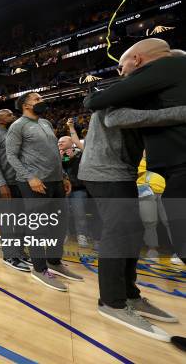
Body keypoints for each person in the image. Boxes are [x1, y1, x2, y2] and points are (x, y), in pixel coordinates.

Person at [78, 91, 183, 340]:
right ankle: (112, 302)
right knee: (117, 235)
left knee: (133, 235)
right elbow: (116, 118)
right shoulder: (119, 93)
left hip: (123, 172)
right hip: (104, 173)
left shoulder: (140, 93)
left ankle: (130, 295)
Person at [84, 39, 186, 262]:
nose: (122, 74)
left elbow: (100, 103)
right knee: (124, 231)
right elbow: (113, 117)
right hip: (110, 172)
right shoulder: (156, 81)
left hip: (151, 170)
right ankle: (116, 296)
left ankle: (120, 295)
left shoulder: (160, 72)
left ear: (137, 59)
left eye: (121, 67)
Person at [6, 92, 82, 291]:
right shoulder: (18, 126)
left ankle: (54, 262)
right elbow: (11, 156)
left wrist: (63, 176)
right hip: (34, 182)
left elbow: (54, 154)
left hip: (56, 180)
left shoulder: (46, 123)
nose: (42, 102)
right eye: (37, 99)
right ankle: (39, 269)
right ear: (25, 105)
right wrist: (30, 177)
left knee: (60, 223)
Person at [0, 109, 30, 272]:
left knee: (20, 221)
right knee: (7, 222)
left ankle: (19, 251)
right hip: (4, 185)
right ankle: (9, 255)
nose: (14, 116)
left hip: (21, 182)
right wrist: (1, 183)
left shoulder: (17, 133)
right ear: (1, 120)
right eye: (9, 115)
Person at [58, 128, 89, 248]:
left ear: (71, 143)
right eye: (58, 142)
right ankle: (64, 233)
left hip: (78, 189)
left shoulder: (80, 153)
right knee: (62, 213)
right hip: (62, 190)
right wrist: (60, 160)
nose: (59, 143)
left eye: (63, 142)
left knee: (79, 213)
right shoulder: (57, 156)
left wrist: (73, 158)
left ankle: (82, 235)